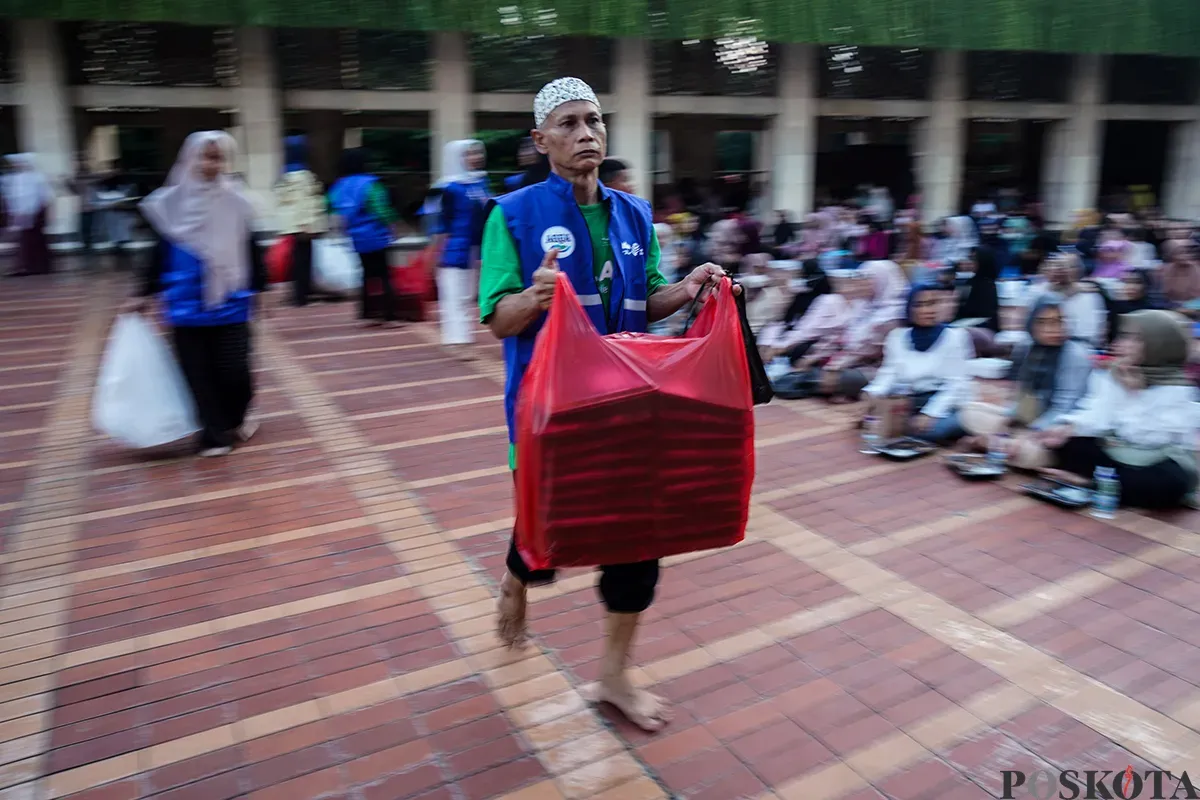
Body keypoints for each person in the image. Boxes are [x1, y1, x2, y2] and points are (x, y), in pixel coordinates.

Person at [478, 76, 734, 733]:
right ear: (540, 141)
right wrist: (531, 300)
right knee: (545, 535)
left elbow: (646, 298)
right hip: (547, 412)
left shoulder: (634, 215)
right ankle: (516, 581)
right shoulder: (511, 216)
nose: (585, 132)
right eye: (567, 123)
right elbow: (498, 320)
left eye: (593, 120)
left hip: (625, 410)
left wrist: (689, 286)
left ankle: (615, 674)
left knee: (636, 540)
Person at [130, 131, 266, 457]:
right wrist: (143, 292)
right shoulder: (170, 203)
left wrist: (262, 288)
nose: (210, 164)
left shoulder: (236, 201)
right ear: (190, 157)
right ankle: (213, 433)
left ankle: (232, 418)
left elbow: (250, 246)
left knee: (235, 371)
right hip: (184, 301)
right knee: (197, 373)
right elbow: (158, 252)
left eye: (217, 157)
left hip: (230, 300)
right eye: (204, 156)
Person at [1037, 310, 1198, 509]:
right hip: (1119, 451)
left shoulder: (1177, 388)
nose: (1123, 344)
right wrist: (1069, 426)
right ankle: (1106, 483)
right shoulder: (1118, 371)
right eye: (1125, 336)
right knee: (1070, 444)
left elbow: (1148, 439)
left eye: (1135, 339)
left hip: (1154, 459)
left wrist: (1135, 394)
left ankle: (1090, 483)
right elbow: (1098, 411)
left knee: (1171, 482)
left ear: (1158, 344)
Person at [959, 295, 1093, 468]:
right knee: (969, 411)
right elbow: (1022, 397)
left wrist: (1030, 434)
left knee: (1032, 455)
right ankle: (1003, 445)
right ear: (1032, 325)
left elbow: (1063, 407)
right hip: (1026, 420)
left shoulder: (1075, 355)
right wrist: (1006, 422)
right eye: (1043, 322)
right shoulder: (1027, 347)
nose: (1053, 328)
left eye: (1059, 321)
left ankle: (990, 444)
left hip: (1056, 428)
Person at [863, 283, 973, 444]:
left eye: (934, 303)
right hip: (912, 400)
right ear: (909, 309)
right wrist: (872, 393)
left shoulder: (955, 337)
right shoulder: (897, 337)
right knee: (878, 420)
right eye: (920, 305)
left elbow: (956, 385)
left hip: (949, 403)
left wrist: (930, 414)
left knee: (931, 431)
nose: (928, 310)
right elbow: (889, 373)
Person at [329, 147, 399, 326]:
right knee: (384, 275)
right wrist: (393, 225)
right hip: (376, 234)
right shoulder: (370, 183)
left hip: (355, 236)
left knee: (366, 274)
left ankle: (366, 312)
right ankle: (389, 314)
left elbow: (332, 207)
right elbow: (381, 208)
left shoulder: (339, 186)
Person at [434, 140, 491, 351]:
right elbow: (441, 223)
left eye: (477, 152)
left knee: (468, 295)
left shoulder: (480, 183)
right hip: (454, 248)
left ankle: (463, 336)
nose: (475, 157)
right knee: (453, 294)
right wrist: (436, 251)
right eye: (469, 154)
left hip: (475, 248)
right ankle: (456, 340)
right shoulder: (449, 188)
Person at [274, 135, 327, 307]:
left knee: (296, 259)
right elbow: (304, 203)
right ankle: (302, 296)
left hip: (292, 226)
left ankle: (299, 293)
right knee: (304, 260)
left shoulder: (285, 175)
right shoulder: (303, 176)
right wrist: (306, 223)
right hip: (304, 225)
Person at [3, 154, 56, 276]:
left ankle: (39, 266)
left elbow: (45, 197)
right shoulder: (16, 179)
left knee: (35, 240)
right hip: (22, 215)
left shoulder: (38, 177)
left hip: (36, 214)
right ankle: (27, 266)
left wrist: (36, 213)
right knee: (25, 241)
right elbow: (14, 199)